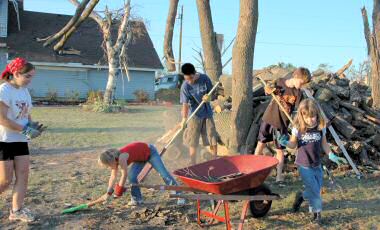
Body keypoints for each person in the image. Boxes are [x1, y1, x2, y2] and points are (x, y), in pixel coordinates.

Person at [277, 98, 347, 224]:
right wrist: (286, 142)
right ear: (302, 116)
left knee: (315, 189)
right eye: (307, 117)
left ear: (317, 114)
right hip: (304, 165)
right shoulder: (298, 128)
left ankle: (301, 196)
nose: (310, 120)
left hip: (317, 164)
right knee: (315, 191)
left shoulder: (321, 127)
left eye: (313, 116)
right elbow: (293, 145)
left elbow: (324, 144)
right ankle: (317, 215)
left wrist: (331, 155)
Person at [0, 57, 46, 222]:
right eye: (27, 76)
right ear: (16, 73)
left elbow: (26, 114)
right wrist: (25, 129)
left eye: (32, 76)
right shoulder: (4, 90)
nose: (30, 80)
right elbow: (2, 119)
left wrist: (31, 126)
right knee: (5, 180)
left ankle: (16, 210)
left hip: (20, 140)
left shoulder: (24, 91)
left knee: (23, 175)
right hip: (4, 141)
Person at [254, 67, 311, 184]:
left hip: (282, 124)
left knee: (280, 150)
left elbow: (299, 111)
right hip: (269, 119)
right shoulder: (280, 82)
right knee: (260, 144)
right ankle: (253, 172)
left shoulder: (298, 93)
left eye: (303, 84)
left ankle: (279, 177)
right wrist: (268, 89)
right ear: (295, 77)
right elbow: (267, 90)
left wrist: (298, 122)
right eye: (301, 83)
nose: (301, 86)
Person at [97, 141, 185, 206]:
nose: (108, 167)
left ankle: (179, 194)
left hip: (150, 152)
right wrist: (108, 192)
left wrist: (118, 191)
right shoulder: (114, 161)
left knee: (164, 174)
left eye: (107, 165)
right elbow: (113, 176)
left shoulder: (121, 158)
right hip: (140, 158)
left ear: (110, 161)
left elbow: (124, 175)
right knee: (132, 176)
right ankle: (137, 199)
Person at [179, 63, 218, 165]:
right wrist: (184, 118)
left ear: (194, 73)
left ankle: (215, 160)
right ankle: (193, 163)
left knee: (212, 135)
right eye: (187, 78)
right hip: (194, 115)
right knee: (193, 139)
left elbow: (213, 93)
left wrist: (209, 97)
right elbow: (185, 104)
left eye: (191, 78)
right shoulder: (185, 86)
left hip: (207, 113)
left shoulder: (204, 78)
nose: (190, 81)